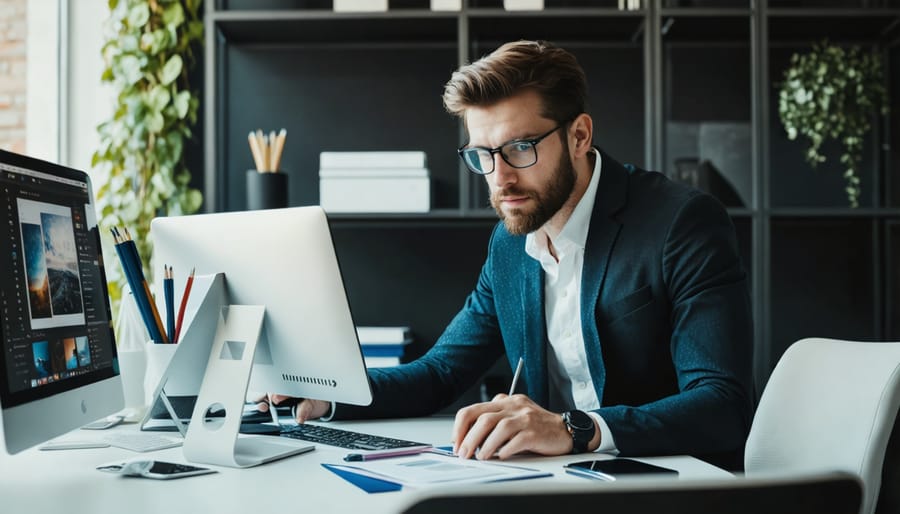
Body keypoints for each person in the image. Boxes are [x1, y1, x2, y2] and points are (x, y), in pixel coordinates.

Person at [267, 40, 753, 468]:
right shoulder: (510, 244)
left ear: (579, 136)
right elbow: (440, 373)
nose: (499, 178)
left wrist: (574, 428)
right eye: (483, 154)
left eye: (520, 147)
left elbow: (721, 404)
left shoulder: (682, 223)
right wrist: (330, 394)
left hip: (673, 483)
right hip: (556, 486)